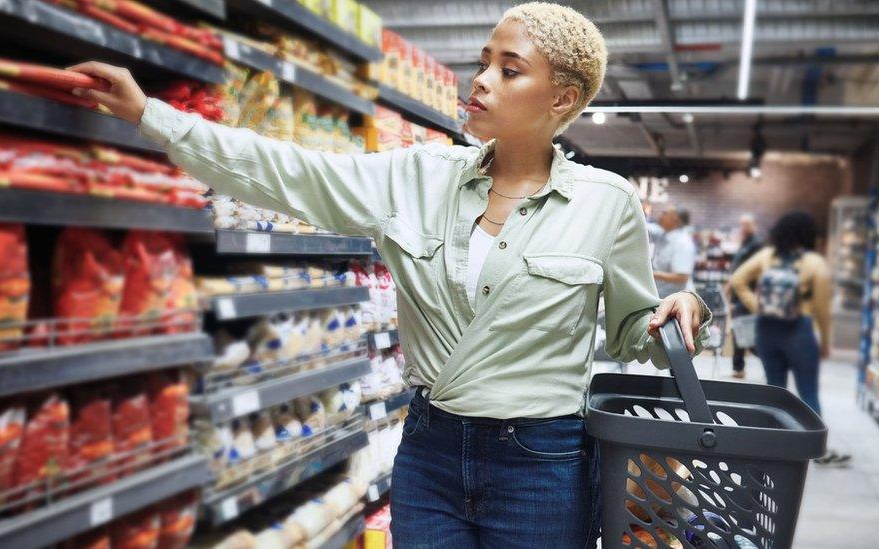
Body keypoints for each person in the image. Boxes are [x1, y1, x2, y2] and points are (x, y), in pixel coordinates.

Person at [67, 3, 709, 545]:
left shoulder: (608, 201)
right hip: (430, 447)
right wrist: (152, 115)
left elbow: (631, 333)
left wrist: (681, 315)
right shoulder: (417, 174)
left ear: (562, 99)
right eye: (483, 61)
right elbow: (288, 171)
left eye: (508, 71)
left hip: (543, 459)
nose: (480, 80)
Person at [729, 211, 849, 467]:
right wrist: (826, 341)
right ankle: (815, 450)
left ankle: (774, 444)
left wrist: (757, 306)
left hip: (766, 330)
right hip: (798, 331)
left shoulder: (767, 256)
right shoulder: (814, 262)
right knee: (808, 391)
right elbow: (821, 307)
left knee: (776, 391)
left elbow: (737, 280)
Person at [726, 214, 762, 379]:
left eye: (745, 225)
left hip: (746, 295)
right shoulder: (746, 243)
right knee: (741, 330)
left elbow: (757, 272)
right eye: (741, 225)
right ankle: (738, 367)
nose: (742, 228)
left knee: (744, 332)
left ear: (753, 225)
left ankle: (770, 360)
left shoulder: (757, 244)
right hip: (738, 294)